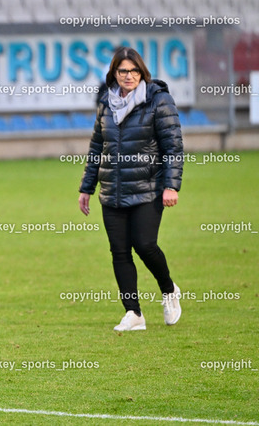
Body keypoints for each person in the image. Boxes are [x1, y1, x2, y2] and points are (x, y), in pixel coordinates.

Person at [78, 46, 183, 332]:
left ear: (142, 72)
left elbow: (173, 147)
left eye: (133, 70)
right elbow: (97, 147)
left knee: (145, 245)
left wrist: (171, 185)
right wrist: (86, 187)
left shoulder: (159, 101)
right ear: (114, 73)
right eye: (122, 71)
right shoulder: (106, 103)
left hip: (149, 187)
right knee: (119, 251)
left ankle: (168, 289)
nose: (128, 76)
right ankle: (133, 313)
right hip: (112, 190)